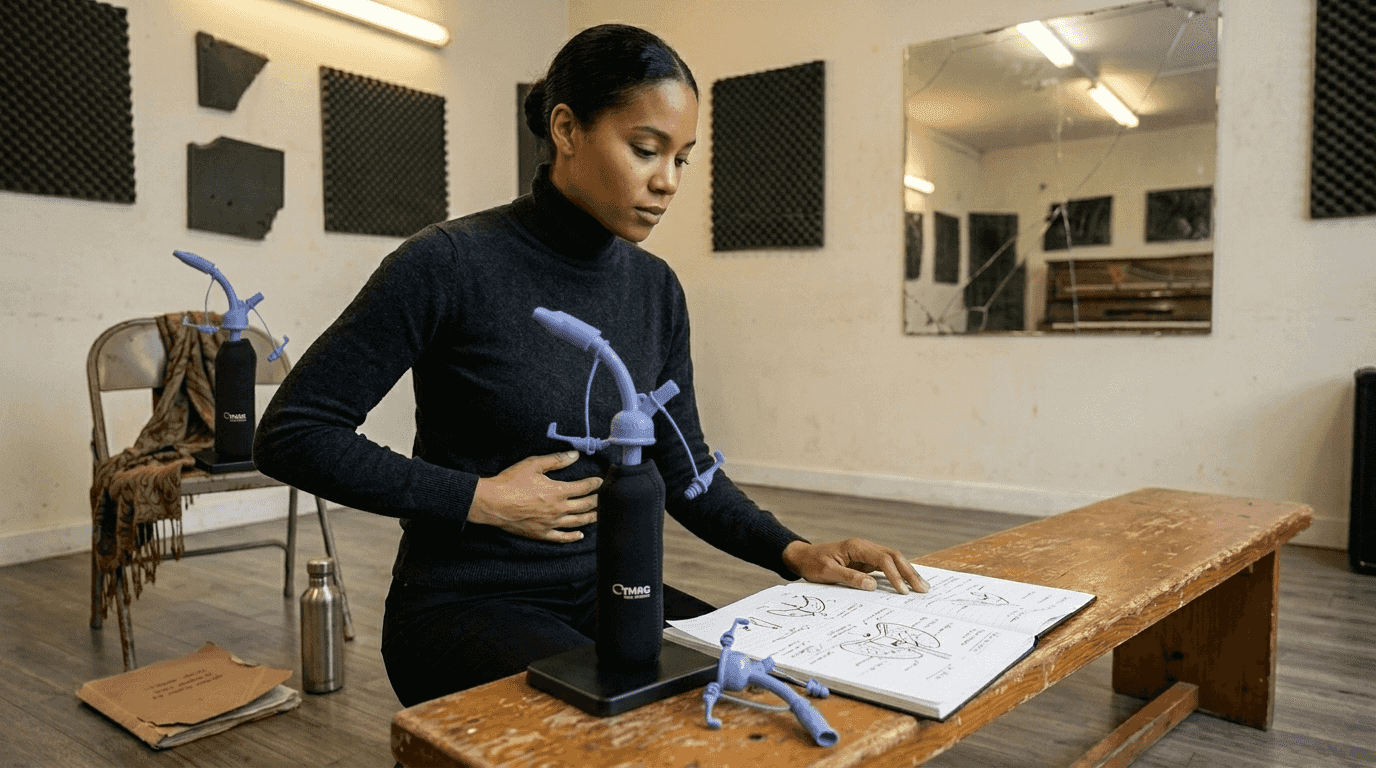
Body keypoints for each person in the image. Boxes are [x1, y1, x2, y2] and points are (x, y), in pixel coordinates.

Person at [253, 23, 928, 708]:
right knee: (653, 722)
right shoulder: (447, 263)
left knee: (773, 689)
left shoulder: (656, 289)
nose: (666, 182)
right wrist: (476, 498)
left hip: (608, 591)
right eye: (645, 149)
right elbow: (294, 434)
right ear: (567, 129)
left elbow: (683, 468)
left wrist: (797, 552)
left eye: (683, 159)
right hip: (463, 607)